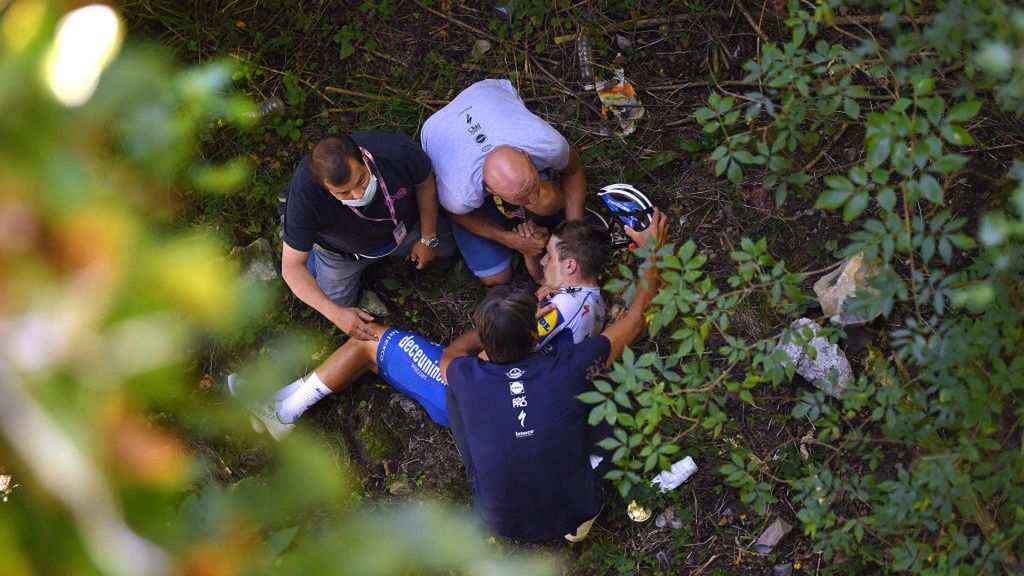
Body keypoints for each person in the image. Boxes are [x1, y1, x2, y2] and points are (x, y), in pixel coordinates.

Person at [229, 219, 614, 440]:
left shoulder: (557, 310)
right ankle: (281, 401)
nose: (544, 255)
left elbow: (494, 355)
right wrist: (536, 266)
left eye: (552, 253)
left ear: (571, 268)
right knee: (378, 357)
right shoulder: (589, 301)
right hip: (509, 405)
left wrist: (463, 355)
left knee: (372, 340)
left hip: (477, 399)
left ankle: (282, 414)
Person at [439, 209, 668, 543]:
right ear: (537, 332)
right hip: (576, 507)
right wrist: (652, 252)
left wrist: (495, 329)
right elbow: (636, 320)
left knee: (452, 391)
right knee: (607, 381)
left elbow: (449, 356)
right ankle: (587, 505)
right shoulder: (570, 366)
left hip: (499, 520)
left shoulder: (467, 376)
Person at [281, 131, 455, 341]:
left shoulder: (394, 150)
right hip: (341, 254)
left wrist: (428, 236)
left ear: (363, 156)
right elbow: (291, 268)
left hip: (405, 229)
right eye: (343, 193)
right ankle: (299, 239)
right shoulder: (306, 195)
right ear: (325, 188)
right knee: (334, 304)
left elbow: (424, 181)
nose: (358, 195)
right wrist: (336, 314)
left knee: (448, 245)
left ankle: (297, 236)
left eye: (361, 180)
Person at [420, 79, 588, 287]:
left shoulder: (546, 143)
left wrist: (575, 232)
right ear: (489, 191)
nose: (532, 198)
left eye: (531, 185)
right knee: (496, 277)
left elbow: (573, 170)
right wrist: (510, 239)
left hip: (485, 91)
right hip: (437, 128)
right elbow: (458, 214)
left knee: (546, 202)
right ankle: (508, 211)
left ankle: (525, 196)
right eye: (522, 197)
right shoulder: (460, 194)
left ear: (525, 155)